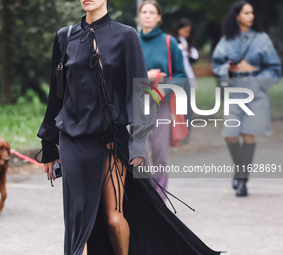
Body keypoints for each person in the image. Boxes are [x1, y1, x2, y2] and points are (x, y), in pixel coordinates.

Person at [38, 0, 222, 254]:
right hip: (72, 140)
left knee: (114, 219)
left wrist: (137, 143)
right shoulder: (64, 36)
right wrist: (48, 144)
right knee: (78, 222)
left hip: (110, 141)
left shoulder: (125, 35)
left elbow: (139, 93)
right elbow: (56, 95)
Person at [212, 1, 282, 197]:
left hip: (256, 92)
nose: (251, 16)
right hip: (234, 91)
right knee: (230, 134)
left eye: (252, 13)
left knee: (248, 134)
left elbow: (275, 69)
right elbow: (217, 64)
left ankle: (242, 180)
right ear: (237, 16)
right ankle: (239, 170)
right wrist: (229, 69)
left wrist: (254, 74)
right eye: (246, 13)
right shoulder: (227, 39)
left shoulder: (262, 39)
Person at [138, 0, 187, 199]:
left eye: (152, 12)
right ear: (139, 16)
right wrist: (145, 76)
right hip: (137, 103)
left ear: (158, 18)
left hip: (161, 104)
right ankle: (146, 196)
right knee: (140, 152)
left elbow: (181, 75)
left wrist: (163, 91)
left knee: (159, 153)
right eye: (144, 12)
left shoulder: (169, 42)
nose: (147, 15)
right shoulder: (131, 41)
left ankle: (159, 198)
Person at [173, 18, 199, 88]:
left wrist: (188, 50)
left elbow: (195, 56)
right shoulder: (174, 40)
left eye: (188, 31)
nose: (187, 33)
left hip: (187, 67)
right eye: (185, 31)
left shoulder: (188, 41)